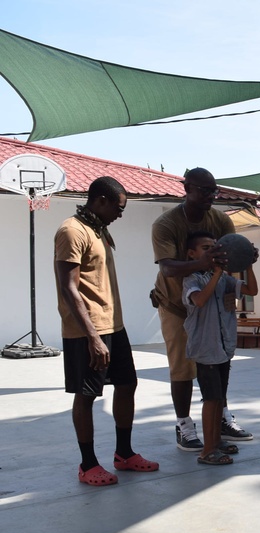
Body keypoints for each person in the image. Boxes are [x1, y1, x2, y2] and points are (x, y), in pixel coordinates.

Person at [54, 176, 158, 486]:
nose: (120, 214)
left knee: (127, 384)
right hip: (86, 331)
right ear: (100, 200)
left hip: (114, 325)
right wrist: (93, 337)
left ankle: (124, 454)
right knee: (86, 395)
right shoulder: (71, 231)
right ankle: (87, 464)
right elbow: (68, 286)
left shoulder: (98, 229)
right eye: (118, 207)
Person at [151, 168, 253, 450]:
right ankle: (184, 424)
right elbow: (169, 268)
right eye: (205, 191)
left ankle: (221, 417)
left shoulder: (219, 220)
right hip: (176, 304)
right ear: (187, 188)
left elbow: (229, 258)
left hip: (212, 306)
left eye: (214, 191)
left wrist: (246, 260)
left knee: (219, 363)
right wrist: (205, 262)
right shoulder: (166, 224)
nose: (211, 196)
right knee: (183, 368)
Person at [182, 232, 258, 465]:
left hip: (223, 348)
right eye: (206, 248)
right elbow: (200, 300)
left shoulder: (224, 279)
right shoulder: (191, 279)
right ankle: (206, 451)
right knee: (211, 399)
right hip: (205, 349)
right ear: (192, 254)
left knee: (219, 398)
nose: (212, 252)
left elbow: (251, 290)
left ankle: (215, 442)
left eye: (215, 248)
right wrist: (216, 272)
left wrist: (248, 264)